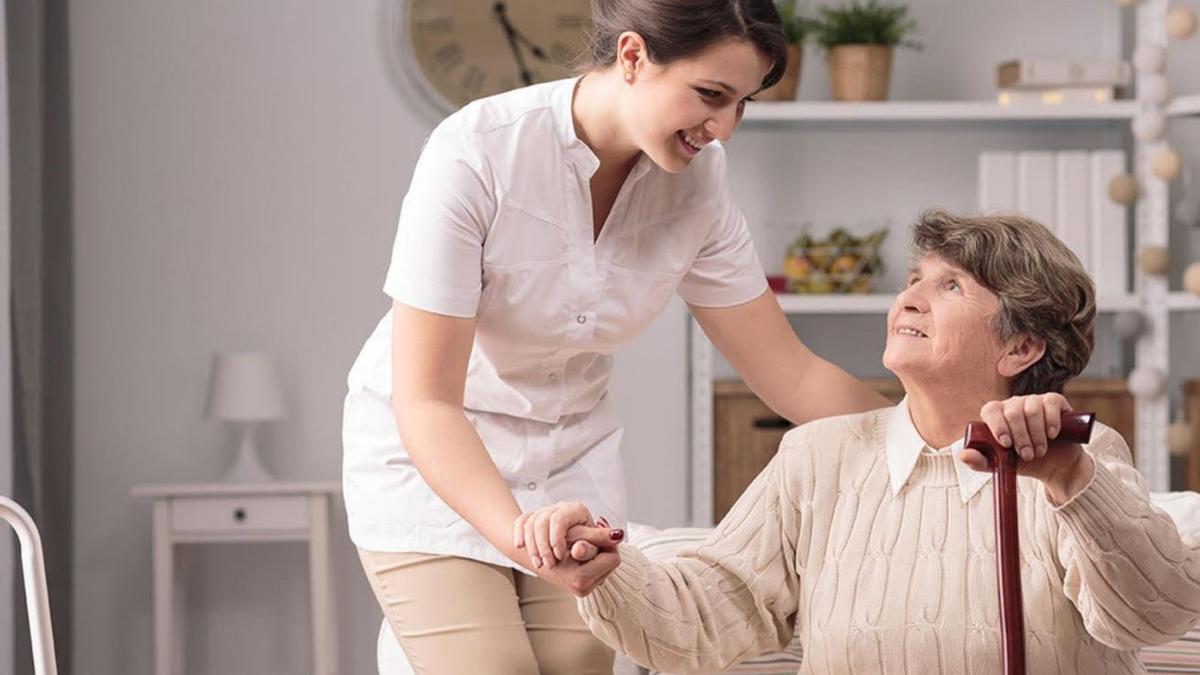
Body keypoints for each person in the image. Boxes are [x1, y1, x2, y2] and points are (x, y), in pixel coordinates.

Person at [341, 1, 925, 673]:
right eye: (711, 95)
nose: (724, 129)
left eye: (743, 104)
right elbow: (428, 402)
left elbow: (788, 371)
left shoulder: (698, 186)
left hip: (568, 467)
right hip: (433, 462)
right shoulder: (478, 152)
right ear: (632, 56)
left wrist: (939, 437)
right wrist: (521, 534)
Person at [524, 210, 1200, 674]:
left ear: (1021, 345)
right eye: (913, 280)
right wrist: (608, 573)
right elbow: (706, 613)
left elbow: (1152, 614)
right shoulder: (819, 457)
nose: (909, 299)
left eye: (950, 285)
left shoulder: (1082, 458)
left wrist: (1068, 480)